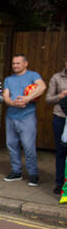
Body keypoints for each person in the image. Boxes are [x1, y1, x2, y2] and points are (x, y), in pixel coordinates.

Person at [3, 54, 46, 187]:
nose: (15, 65)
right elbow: (6, 96)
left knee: (28, 146)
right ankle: (16, 171)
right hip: (11, 115)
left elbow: (42, 87)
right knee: (11, 144)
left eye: (18, 63)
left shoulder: (33, 75)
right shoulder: (8, 79)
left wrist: (27, 99)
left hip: (27, 116)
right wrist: (11, 102)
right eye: (14, 63)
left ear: (25, 63)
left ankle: (33, 174)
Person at [46, 58, 67, 194]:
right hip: (60, 118)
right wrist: (61, 95)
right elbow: (48, 99)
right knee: (61, 152)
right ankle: (59, 183)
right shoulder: (57, 77)